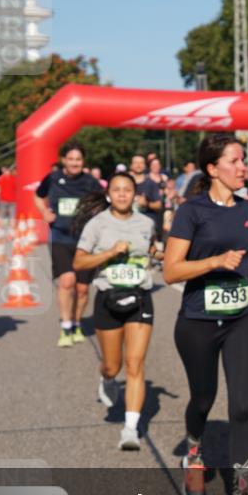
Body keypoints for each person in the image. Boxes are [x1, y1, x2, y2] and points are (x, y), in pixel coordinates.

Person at [163, 133, 248, 495]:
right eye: (235, 160)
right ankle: (195, 453)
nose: (243, 166)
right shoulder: (190, 211)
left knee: (239, 407)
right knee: (203, 398)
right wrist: (215, 261)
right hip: (197, 320)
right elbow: (171, 270)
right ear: (213, 169)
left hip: (243, 317)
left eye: (243, 160)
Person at [73, 172, 158, 451]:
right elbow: (79, 262)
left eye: (128, 190)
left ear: (135, 195)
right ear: (109, 194)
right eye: (117, 190)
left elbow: (155, 250)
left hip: (140, 297)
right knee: (114, 365)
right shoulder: (97, 224)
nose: (122, 194)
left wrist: (158, 254)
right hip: (109, 298)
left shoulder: (147, 223)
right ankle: (107, 378)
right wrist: (109, 253)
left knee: (135, 364)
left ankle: (130, 429)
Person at [35, 141, 103, 347]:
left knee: (82, 289)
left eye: (79, 159)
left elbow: (102, 202)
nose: (75, 163)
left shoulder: (90, 181)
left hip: (85, 241)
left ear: (83, 161)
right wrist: (44, 212)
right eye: (71, 159)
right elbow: (38, 196)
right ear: (64, 160)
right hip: (61, 237)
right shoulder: (54, 178)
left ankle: (76, 322)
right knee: (67, 282)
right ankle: (66, 326)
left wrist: (95, 212)